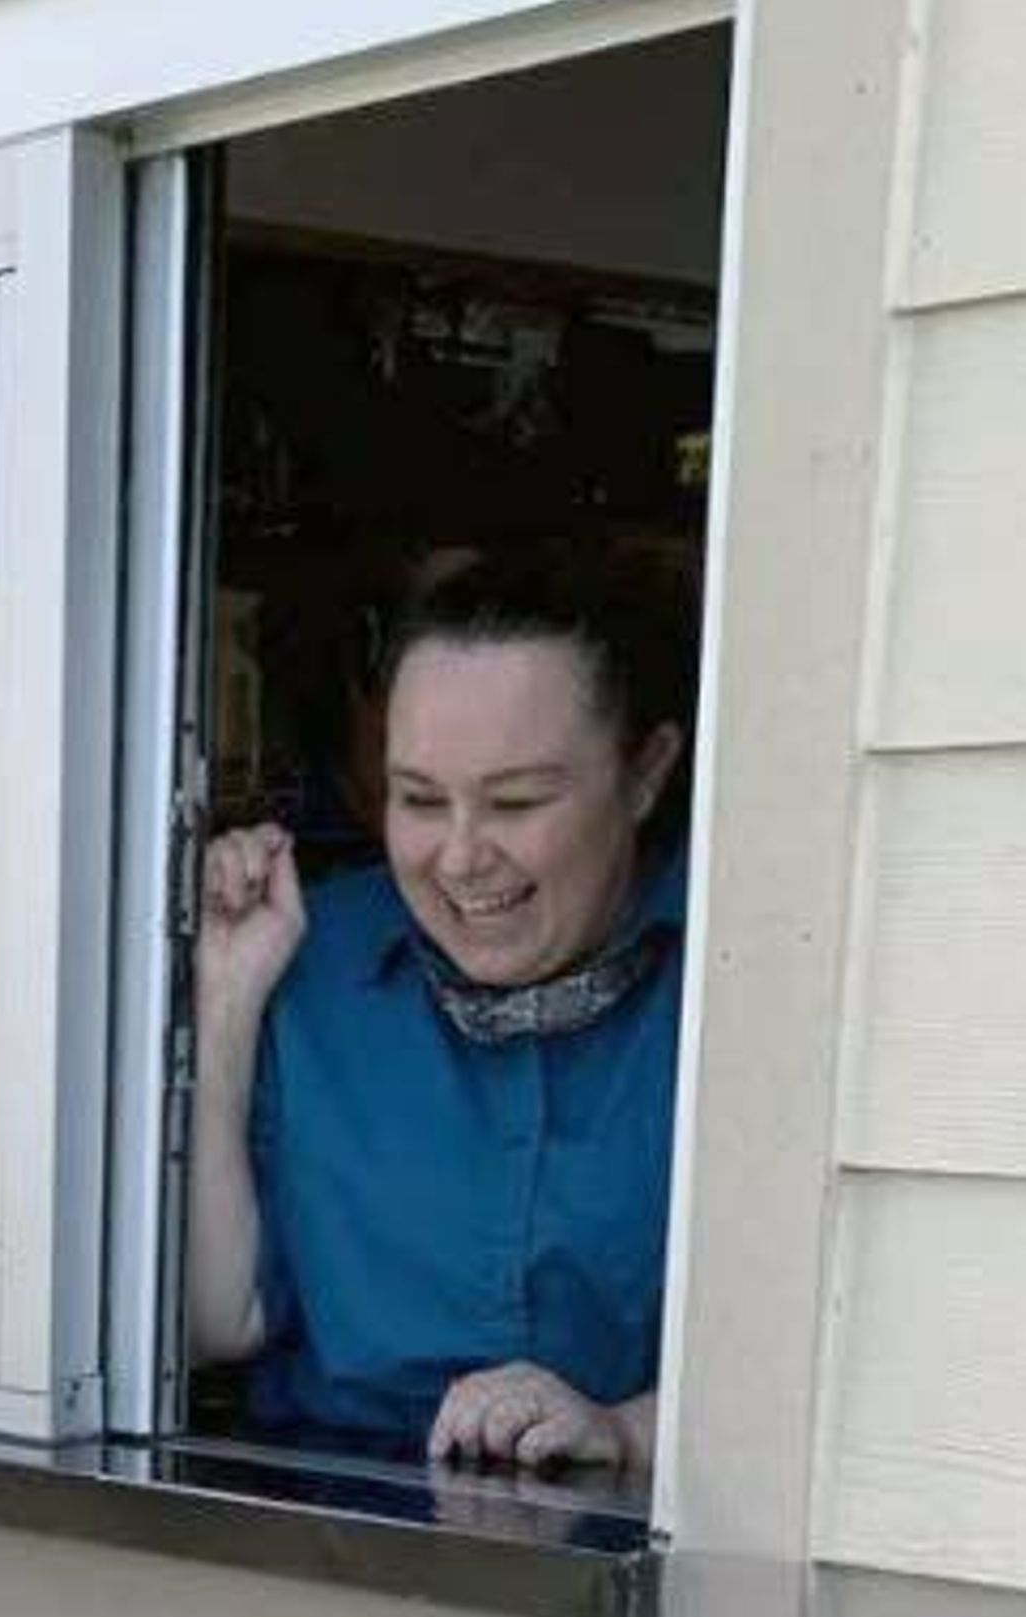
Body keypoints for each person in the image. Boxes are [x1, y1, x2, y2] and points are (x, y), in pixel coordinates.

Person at [181, 562, 689, 1474]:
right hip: (320, 1538)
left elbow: (839, 1355)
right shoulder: (308, 952)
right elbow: (220, 1319)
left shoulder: (744, 984)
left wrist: (627, 1432)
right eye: (417, 799)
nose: (459, 857)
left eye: (517, 802)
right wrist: (226, 1003)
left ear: (645, 774)